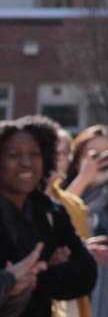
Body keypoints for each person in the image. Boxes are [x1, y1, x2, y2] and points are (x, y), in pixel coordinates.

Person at [0, 119, 99, 317]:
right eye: (14, 155)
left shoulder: (51, 211)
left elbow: (86, 274)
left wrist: (38, 277)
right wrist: (10, 280)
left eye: (34, 154)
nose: (26, 162)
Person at [63, 128, 108, 317]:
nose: (102, 160)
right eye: (94, 155)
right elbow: (58, 218)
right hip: (67, 290)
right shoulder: (61, 190)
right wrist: (83, 180)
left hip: (104, 292)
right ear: (77, 159)